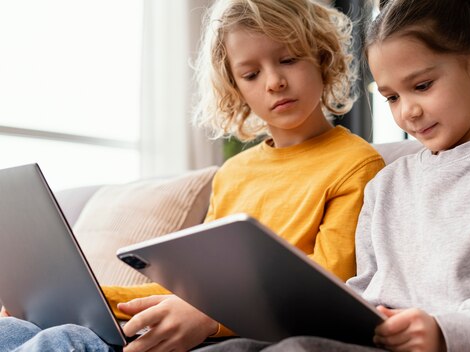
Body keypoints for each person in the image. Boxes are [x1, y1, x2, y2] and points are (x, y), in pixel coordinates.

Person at [196, 0, 470, 351]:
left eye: (421, 86)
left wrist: (447, 330)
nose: (408, 112)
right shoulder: (386, 184)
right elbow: (362, 289)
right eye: (392, 97)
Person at [0, 0, 384, 351]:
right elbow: (198, 286)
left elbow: (332, 289)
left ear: (322, 56)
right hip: (184, 324)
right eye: (251, 74)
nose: (273, 82)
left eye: (288, 59)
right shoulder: (234, 173)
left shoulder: (355, 164)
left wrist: (212, 318)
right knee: (15, 331)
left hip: (229, 335)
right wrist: (81, 298)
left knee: (66, 340)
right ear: (236, 88)